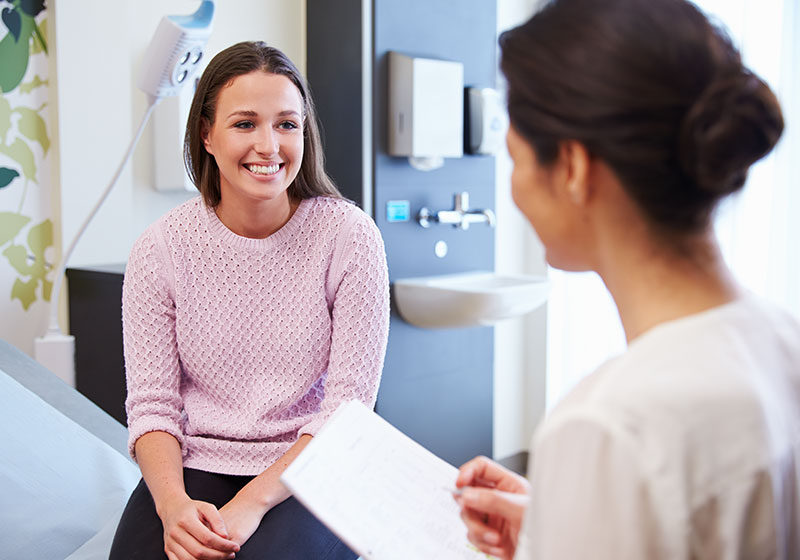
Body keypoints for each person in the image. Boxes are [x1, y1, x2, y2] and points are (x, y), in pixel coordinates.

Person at [455, 0, 800, 558]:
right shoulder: (782, 340)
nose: (513, 189)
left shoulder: (609, 425)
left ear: (572, 167)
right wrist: (561, 525)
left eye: (514, 158)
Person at [110, 41, 389, 560]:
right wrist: (172, 507)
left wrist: (252, 503)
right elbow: (152, 406)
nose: (269, 146)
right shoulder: (160, 248)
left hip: (310, 465)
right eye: (245, 124)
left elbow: (347, 412)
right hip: (196, 465)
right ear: (207, 135)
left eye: (286, 124)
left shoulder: (350, 238)